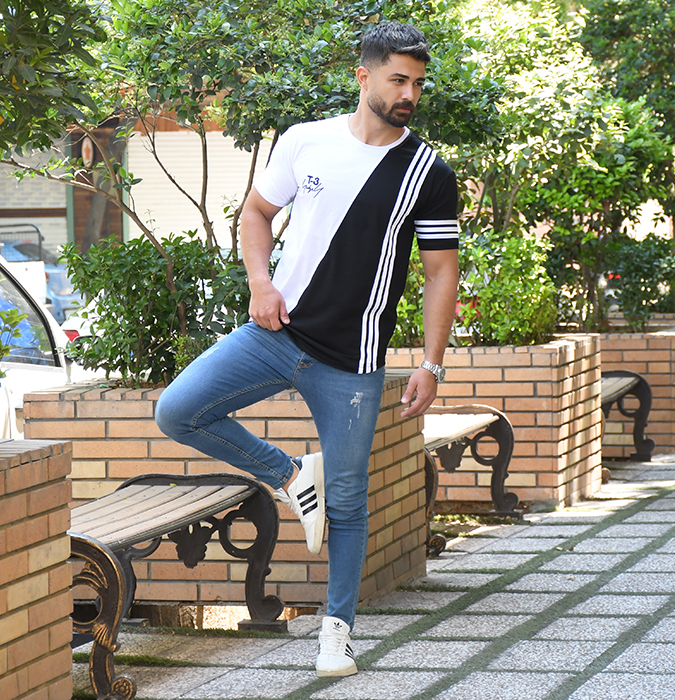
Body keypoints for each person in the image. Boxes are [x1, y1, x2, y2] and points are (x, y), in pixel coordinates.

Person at [155, 20, 459, 678]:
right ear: (364, 76)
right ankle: (291, 475)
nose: (409, 94)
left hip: (352, 360)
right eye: (398, 80)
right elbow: (257, 213)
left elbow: (441, 272)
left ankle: (337, 632)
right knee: (177, 411)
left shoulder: (428, 172)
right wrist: (259, 284)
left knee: (347, 501)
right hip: (274, 333)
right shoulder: (305, 141)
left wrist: (431, 363)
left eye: (417, 83)